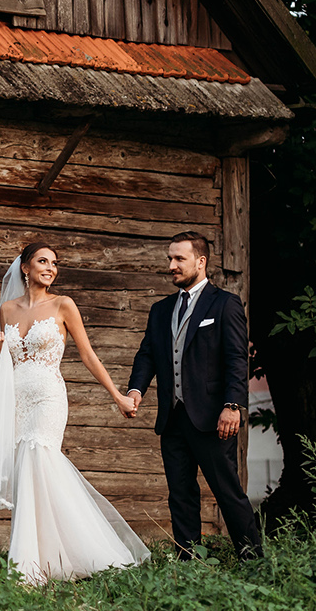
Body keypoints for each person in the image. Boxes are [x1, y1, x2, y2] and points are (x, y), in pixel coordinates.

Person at [0, 241, 150, 583]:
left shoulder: (64, 305)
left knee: (40, 458)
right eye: (42, 261)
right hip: (17, 398)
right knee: (27, 473)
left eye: (54, 263)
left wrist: (118, 396)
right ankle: (45, 558)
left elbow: (88, 355)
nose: (50, 267)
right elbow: (10, 361)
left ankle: (57, 561)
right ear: (25, 268)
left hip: (48, 396)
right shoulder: (7, 310)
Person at [125, 231, 263, 558]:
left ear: (200, 262)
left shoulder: (225, 303)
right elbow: (147, 355)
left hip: (213, 417)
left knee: (228, 492)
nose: (171, 265)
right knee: (180, 495)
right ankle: (189, 563)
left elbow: (235, 359)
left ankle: (253, 560)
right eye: (169, 259)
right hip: (172, 419)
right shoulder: (161, 310)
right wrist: (135, 389)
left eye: (179, 259)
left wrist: (233, 406)